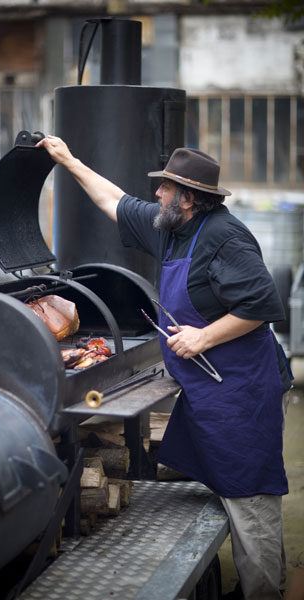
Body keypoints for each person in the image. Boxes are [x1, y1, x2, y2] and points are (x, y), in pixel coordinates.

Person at [36, 135, 292, 600]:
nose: (156, 194)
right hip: (211, 390)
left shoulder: (225, 237)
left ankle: (265, 593)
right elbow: (112, 199)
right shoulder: (171, 228)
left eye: (164, 188)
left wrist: (201, 337)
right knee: (233, 498)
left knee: (251, 504)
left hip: (243, 392)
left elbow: (261, 304)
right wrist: (67, 160)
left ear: (188, 198)